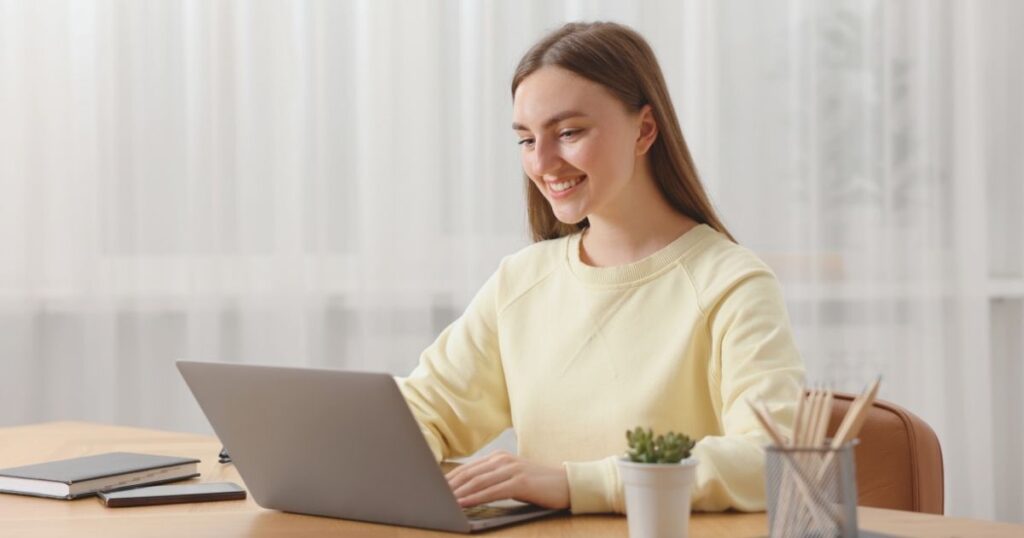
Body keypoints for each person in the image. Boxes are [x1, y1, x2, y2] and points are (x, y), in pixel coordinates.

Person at [397, 21, 804, 515]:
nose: (543, 161)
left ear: (644, 130)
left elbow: (768, 458)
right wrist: (373, 451)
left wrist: (574, 483)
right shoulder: (522, 280)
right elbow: (423, 409)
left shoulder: (731, 284)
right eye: (526, 140)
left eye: (568, 132)